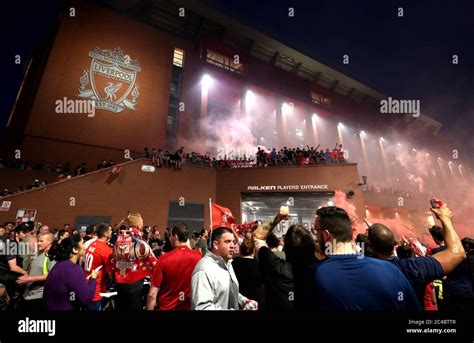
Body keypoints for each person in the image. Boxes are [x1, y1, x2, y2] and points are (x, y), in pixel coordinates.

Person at [313, 206, 421, 310]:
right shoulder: (390, 269)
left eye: (316, 231)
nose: (316, 237)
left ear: (325, 234)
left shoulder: (314, 274)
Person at [368, 203, 465, 306]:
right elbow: (457, 253)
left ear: (371, 246)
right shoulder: (414, 267)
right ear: (395, 243)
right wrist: (445, 219)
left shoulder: (362, 272)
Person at [191, 227, 257, 310]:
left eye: (233, 242)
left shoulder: (227, 263)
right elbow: (202, 308)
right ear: (216, 244)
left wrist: (243, 301)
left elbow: (227, 290)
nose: (232, 245)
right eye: (228, 242)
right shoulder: (203, 270)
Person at [146, 224, 201, 310]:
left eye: (170, 235)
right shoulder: (199, 257)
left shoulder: (163, 259)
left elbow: (152, 294)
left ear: (175, 236)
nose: (169, 238)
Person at [112, 213, 155, 311]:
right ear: (138, 225)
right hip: (134, 286)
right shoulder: (139, 242)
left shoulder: (118, 240)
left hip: (119, 284)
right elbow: (155, 263)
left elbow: (113, 259)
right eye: (142, 222)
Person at [43, 235, 98, 310]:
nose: (84, 246)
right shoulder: (72, 268)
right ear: (75, 249)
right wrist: (93, 279)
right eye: (82, 243)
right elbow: (86, 299)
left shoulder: (61, 264)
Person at [16, 233, 55, 310]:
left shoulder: (52, 256)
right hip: (27, 293)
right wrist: (26, 276)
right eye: (38, 241)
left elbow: (51, 275)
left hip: (40, 296)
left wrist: (30, 279)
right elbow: (31, 269)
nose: (38, 243)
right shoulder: (36, 253)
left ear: (49, 242)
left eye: (41, 241)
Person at [83, 223, 113, 310]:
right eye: (110, 230)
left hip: (86, 284)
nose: (112, 232)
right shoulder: (105, 249)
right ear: (105, 234)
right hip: (96, 289)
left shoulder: (90, 244)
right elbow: (110, 273)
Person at [232, 238, 265, 310]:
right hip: (257, 304)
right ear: (254, 250)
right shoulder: (260, 265)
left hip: (238, 303)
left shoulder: (233, 264)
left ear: (240, 250)